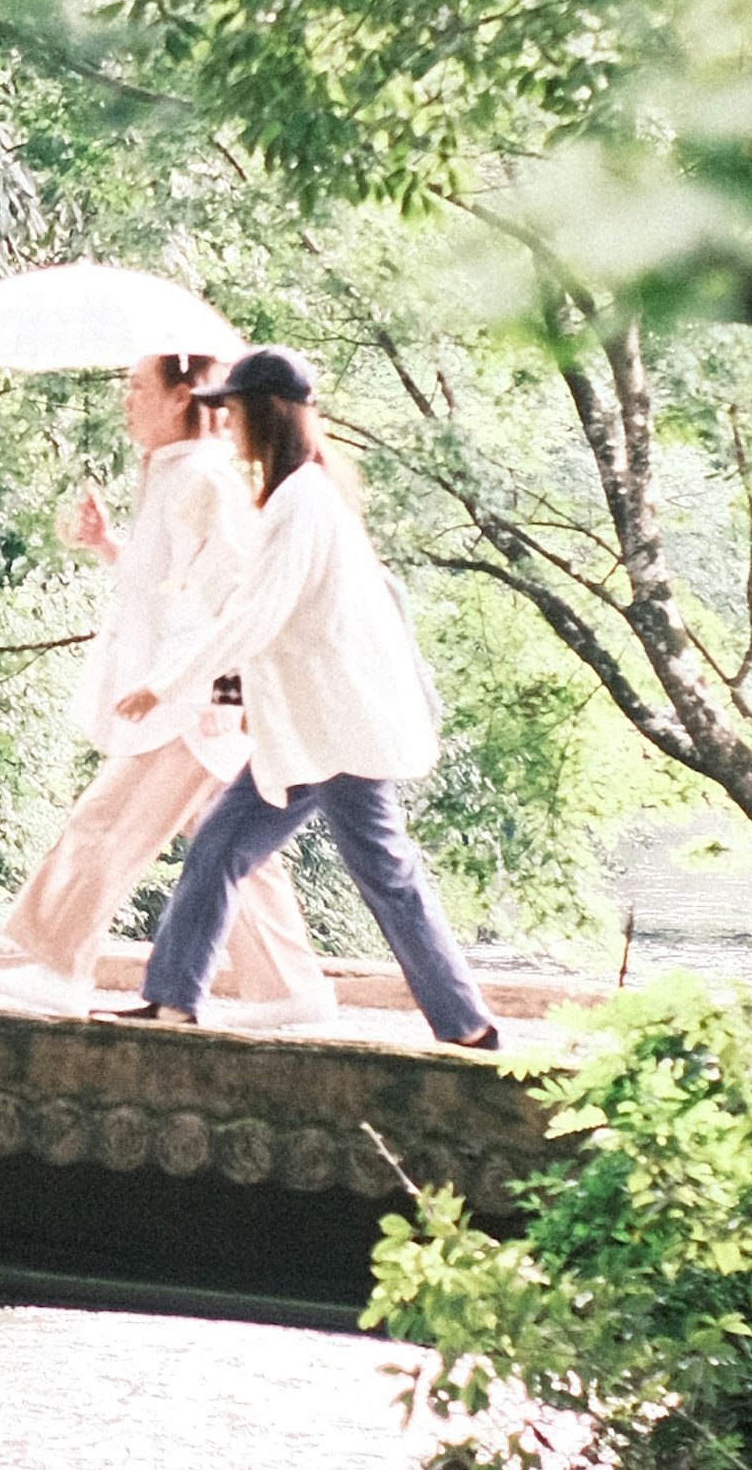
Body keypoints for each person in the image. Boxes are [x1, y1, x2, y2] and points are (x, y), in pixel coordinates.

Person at [118, 348, 500, 1047]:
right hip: (307, 735)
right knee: (219, 845)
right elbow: (253, 602)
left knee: (386, 876)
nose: (226, 427)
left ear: (262, 414)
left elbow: (256, 617)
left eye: (233, 413)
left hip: (339, 734)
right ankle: (171, 998)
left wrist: (163, 684)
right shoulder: (299, 497)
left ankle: (469, 1026)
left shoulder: (303, 502)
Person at [0, 351, 334, 1014]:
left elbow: (239, 598)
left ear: (181, 396)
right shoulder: (174, 475)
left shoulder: (203, 480)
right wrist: (110, 546)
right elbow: (173, 589)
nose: (126, 400)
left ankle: (60, 968)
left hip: (189, 706)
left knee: (103, 826)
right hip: (184, 699)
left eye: (138, 386)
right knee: (232, 851)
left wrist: (225, 697)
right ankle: (292, 989)